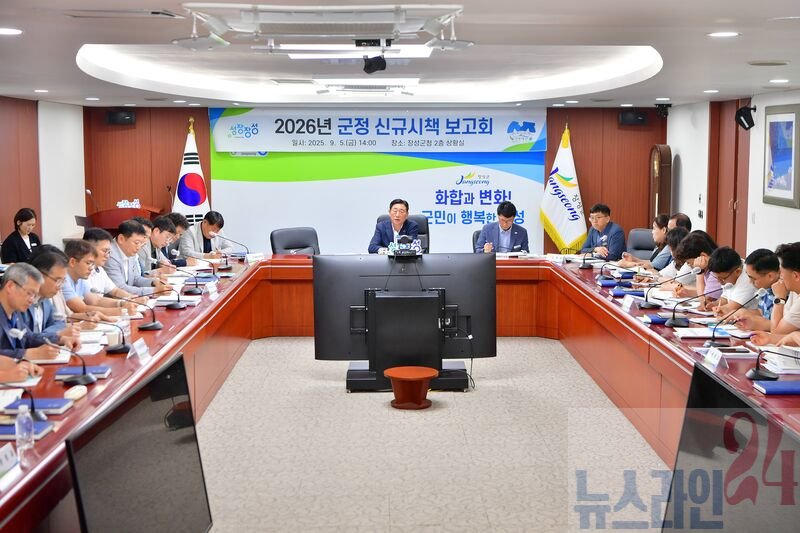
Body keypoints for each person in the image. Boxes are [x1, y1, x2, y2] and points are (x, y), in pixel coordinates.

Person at [0, 263, 60, 361]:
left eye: (34, 295)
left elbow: (29, 338)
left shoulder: (15, 312)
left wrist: (59, 339)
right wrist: (26, 354)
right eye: (29, 293)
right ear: (10, 286)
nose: (31, 300)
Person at [63, 240, 137, 316]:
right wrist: (122, 311)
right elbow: (81, 309)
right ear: (72, 262)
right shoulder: (63, 280)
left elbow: (96, 301)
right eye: (88, 263)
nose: (91, 268)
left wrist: (122, 303)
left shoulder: (80, 279)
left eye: (92, 264)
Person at [25, 250, 81, 349]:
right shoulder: (21, 300)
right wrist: (55, 335)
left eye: (63, 281)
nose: (60, 287)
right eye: (57, 280)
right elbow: (26, 338)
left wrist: (47, 335)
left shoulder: (45, 299)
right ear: (39, 276)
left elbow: (59, 323)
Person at [751, 242, 800, 346]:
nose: (779, 276)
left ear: (796, 276)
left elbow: (777, 332)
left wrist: (779, 298)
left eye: (781, 272)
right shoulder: (795, 291)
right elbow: (785, 333)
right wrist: (769, 338)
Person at [105, 220, 170, 297]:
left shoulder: (129, 250)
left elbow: (135, 278)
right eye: (136, 243)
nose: (139, 247)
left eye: (140, 243)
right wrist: (154, 291)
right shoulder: (109, 255)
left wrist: (153, 282)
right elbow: (120, 289)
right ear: (121, 239)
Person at [83, 228, 148, 303]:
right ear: (89, 249)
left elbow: (115, 291)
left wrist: (132, 298)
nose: (107, 256)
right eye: (104, 251)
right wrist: (121, 304)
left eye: (109, 252)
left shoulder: (99, 269)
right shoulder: (80, 272)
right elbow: (93, 302)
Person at [729, 249, 780, 332]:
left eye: (753, 278)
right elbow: (761, 312)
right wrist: (741, 313)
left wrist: (756, 323)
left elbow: (783, 327)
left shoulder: (785, 294)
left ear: (770, 276)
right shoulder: (765, 288)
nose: (750, 282)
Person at [672, 230, 722, 310]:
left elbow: (704, 302)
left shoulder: (717, 269)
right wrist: (687, 292)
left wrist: (699, 272)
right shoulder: (709, 268)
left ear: (702, 256)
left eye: (690, 263)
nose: (691, 266)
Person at [706, 246, 757, 316]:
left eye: (723, 278)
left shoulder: (748, 278)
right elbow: (725, 297)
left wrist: (719, 309)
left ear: (737, 271)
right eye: (717, 278)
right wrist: (713, 304)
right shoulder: (732, 268)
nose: (720, 282)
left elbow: (731, 307)